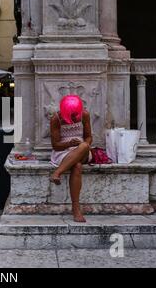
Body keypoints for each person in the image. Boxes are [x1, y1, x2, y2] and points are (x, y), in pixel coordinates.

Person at [49, 95, 93, 223]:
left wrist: (82, 145)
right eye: (71, 115)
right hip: (62, 152)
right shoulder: (56, 119)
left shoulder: (84, 115)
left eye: (75, 114)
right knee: (77, 166)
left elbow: (89, 137)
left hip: (82, 150)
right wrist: (69, 144)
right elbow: (55, 145)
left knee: (84, 145)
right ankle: (76, 209)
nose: (74, 117)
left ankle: (57, 172)